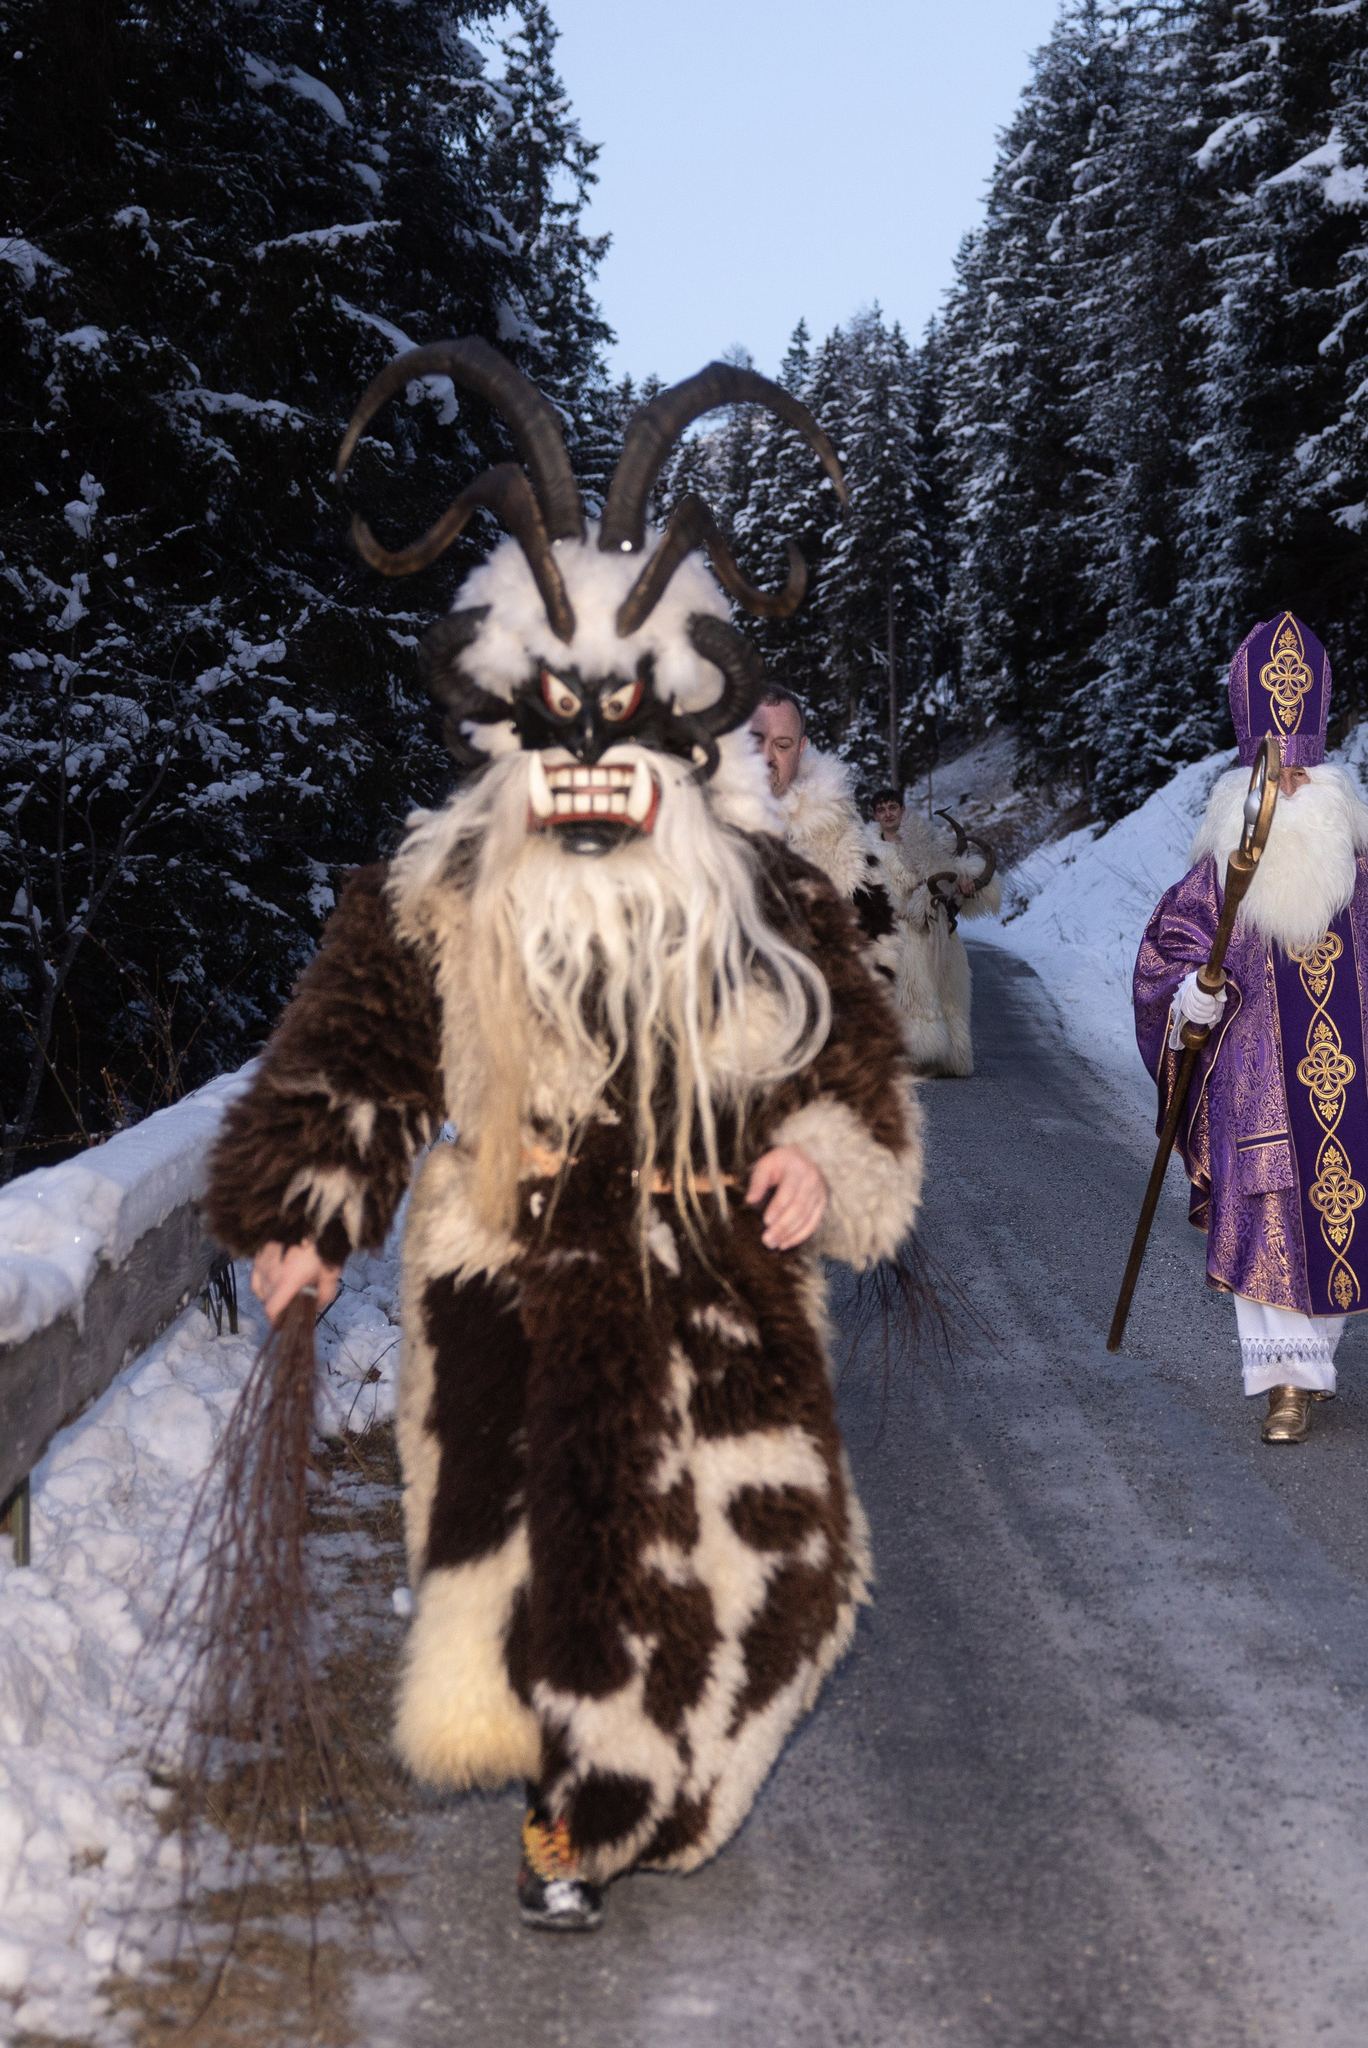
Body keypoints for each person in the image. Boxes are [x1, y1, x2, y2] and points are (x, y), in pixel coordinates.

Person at [203, 343, 921, 1933]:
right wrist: (311, 1215)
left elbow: (855, 1060)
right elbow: (355, 1054)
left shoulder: (770, 898)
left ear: (674, 736)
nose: (593, 757)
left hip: (714, 1287)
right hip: (508, 1270)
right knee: (537, 1570)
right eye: (559, 723)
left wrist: (820, 1157)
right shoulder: (440, 890)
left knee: (760, 1583)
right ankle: (571, 1813)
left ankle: (644, 1793)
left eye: (625, 725)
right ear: (510, 727)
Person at [1130, 613, 1368, 1442]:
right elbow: (1170, 953)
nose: (1291, 786)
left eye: (1302, 770)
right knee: (1265, 1206)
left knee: (1340, 1207)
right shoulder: (1218, 863)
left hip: (1346, 1080)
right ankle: (1284, 1384)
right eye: (1276, 771)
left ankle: (1314, 1361)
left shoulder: (1361, 866)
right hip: (1254, 1079)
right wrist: (1190, 994)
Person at [857, 785, 1001, 1077]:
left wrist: (965, 884)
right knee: (906, 993)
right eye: (881, 810)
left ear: (902, 810)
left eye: (892, 808)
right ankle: (912, 1056)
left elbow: (953, 875)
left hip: (937, 929)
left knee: (949, 992)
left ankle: (951, 1057)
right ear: (874, 815)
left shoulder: (929, 843)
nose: (887, 814)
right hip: (894, 931)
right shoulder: (865, 850)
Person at [752, 685, 869, 896]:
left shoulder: (841, 841)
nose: (766, 757)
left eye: (783, 745)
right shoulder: (694, 820)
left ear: (800, 749)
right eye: (755, 741)